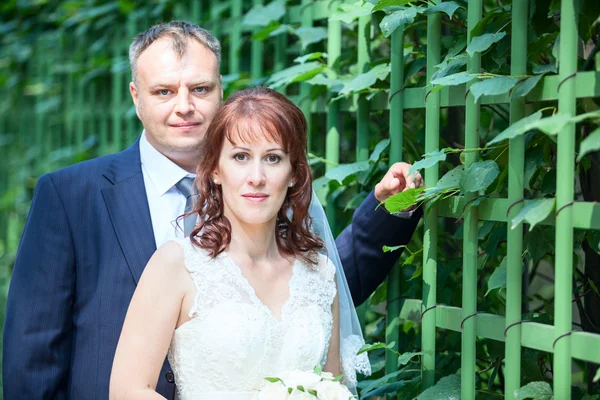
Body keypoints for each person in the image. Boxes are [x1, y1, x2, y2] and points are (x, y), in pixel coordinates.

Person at [2, 21, 422, 400]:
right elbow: (33, 351)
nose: (184, 106)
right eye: (164, 91)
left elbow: (315, 286)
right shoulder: (70, 195)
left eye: (200, 89)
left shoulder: (265, 182)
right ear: (136, 97)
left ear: (220, 89)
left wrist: (389, 212)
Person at [110, 86, 369, 399]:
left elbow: (333, 386)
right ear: (216, 170)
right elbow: (128, 390)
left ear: (293, 174)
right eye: (241, 157)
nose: (256, 176)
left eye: (273, 158)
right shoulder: (177, 265)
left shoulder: (320, 273)